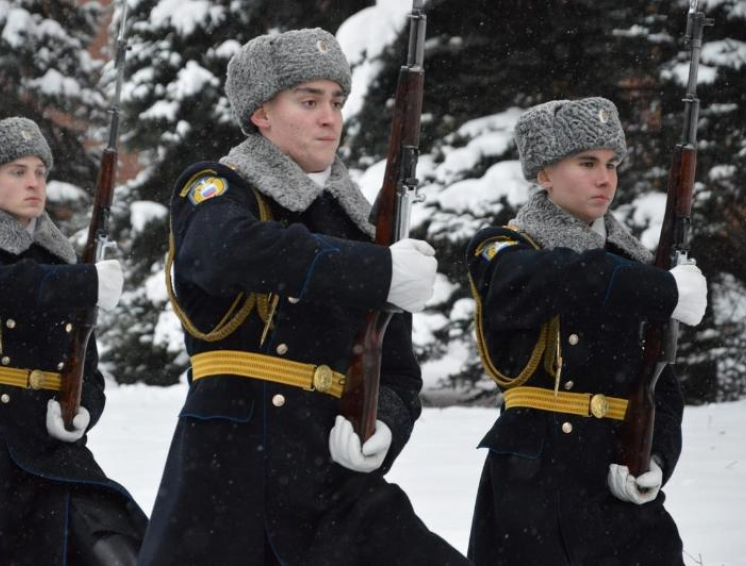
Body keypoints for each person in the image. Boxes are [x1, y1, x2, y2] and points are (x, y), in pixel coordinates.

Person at [138, 28, 470, 566]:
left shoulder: (360, 227)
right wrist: (377, 267)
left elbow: (400, 371)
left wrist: (383, 422)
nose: (329, 117)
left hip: (334, 485)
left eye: (336, 101)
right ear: (261, 114)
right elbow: (225, 252)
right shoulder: (219, 188)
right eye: (309, 101)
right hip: (232, 473)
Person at [465, 98, 708, 565]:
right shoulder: (504, 247)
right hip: (534, 482)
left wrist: (655, 458)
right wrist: (657, 287)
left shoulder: (634, 267)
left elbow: (661, 385)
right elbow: (545, 279)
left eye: (612, 164)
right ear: (544, 174)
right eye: (587, 163)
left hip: (617, 477)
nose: (605, 178)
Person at [0, 117, 147, 565]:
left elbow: (87, 361)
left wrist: (84, 408)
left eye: (41, 172)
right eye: (17, 171)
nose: (34, 183)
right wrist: (76, 282)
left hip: (55, 452)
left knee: (120, 550)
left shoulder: (61, 261)